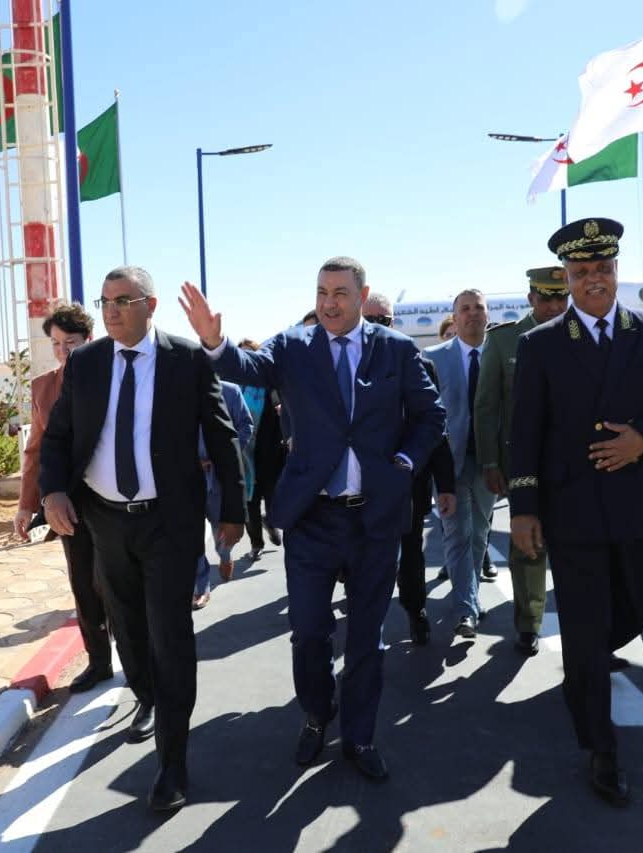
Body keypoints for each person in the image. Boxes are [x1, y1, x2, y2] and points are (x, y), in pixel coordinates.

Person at [179, 257, 445, 782]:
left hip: (375, 519)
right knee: (307, 632)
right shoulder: (295, 346)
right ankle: (316, 712)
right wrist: (216, 343)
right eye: (322, 292)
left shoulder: (395, 349)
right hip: (312, 519)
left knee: (368, 639)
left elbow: (430, 415)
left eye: (341, 293)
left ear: (362, 294)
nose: (329, 302)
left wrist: (404, 465)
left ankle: (361, 736)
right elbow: (246, 368)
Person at [508, 219, 643, 806]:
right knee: (588, 636)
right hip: (573, 512)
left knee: (635, 611)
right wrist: (523, 508)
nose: (593, 280)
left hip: (639, 504)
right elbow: (525, 432)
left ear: (617, 272)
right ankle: (600, 746)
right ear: (567, 279)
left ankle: (587, 676)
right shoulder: (539, 344)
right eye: (581, 272)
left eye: (603, 269)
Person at [40, 265, 244, 812]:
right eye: (105, 302)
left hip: (169, 523)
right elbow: (58, 436)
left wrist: (235, 511)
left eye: (123, 301)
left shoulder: (186, 359)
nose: (111, 311)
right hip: (104, 520)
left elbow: (223, 437)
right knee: (127, 627)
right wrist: (52, 491)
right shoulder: (85, 362)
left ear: (150, 306)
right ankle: (146, 696)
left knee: (170, 634)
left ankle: (172, 763)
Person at [13, 305, 114, 693]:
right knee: (83, 583)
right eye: (55, 344)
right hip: (68, 501)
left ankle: (137, 656)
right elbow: (35, 451)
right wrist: (27, 504)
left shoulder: (113, 376)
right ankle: (98, 660)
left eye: (69, 342)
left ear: (88, 340)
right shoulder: (43, 387)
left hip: (117, 498)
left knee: (116, 580)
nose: (62, 351)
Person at [475, 265, 570, 656]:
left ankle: (582, 621)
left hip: (576, 462)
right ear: (531, 298)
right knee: (529, 543)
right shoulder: (504, 341)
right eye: (545, 298)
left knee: (577, 544)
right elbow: (487, 406)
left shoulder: (582, 336)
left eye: (559, 298)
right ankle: (530, 621)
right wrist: (489, 462)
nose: (553, 306)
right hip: (524, 461)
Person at [364, 292, 455, 646]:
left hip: (407, 479)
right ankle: (366, 622)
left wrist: (445, 484)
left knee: (410, 548)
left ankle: (416, 611)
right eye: (369, 319)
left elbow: (434, 425)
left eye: (383, 321)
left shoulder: (416, 363)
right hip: (357, 484)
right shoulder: (337, 363)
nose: (376, 327)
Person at [425, 290, 493, 639]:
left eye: (478, 307)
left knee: (479, 533)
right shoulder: (433, 358)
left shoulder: (499, 354)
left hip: (489, 463)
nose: (472, 314)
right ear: (454, 317)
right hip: (448, 464)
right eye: (464, 309)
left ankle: (471, 596)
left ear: (487, 314)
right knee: (456, 535)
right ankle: (465, 609)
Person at [194, 380, 253, 609]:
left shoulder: (229, 391)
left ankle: (225, 556)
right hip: (188, 478)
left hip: (220, 478)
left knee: (221, 529)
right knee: (191, 535)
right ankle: (200, 587)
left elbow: (245, 427)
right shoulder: (174, 389)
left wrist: (224, 457)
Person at [238, 338, 285, 557]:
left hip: (270, 453)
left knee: (275, 498)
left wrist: (280, 407)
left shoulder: (268, 385)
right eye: (242, 355)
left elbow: (280, 404)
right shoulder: (230, 388)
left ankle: (272, 520)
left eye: (250, 355)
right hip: (243, 455)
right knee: (250, 502)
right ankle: (256, 544)